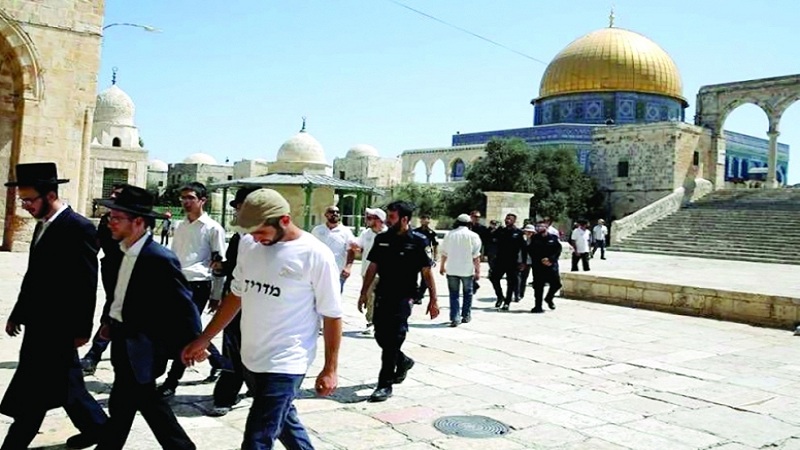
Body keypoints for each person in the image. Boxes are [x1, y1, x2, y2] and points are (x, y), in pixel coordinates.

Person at [182, 188, 342, 449]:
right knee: (285, 424)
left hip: (287, 362)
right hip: (251, 358)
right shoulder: (249, 245)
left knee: (257, 439)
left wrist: (330, 368)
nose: (255, 238)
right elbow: (236, 295)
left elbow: (332, 315)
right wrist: (205, 338)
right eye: (251, 232)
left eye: (260, 231)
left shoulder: (315, 255)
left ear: (284, 220)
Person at [1, 163, 108, 449]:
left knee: (34, 391)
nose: (25, 206)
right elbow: (33, 277)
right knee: (67, 384)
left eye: (29, 200)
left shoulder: (79, 227)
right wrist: (18, 313)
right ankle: (98, 429)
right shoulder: (42, 226)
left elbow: (86, 283)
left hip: (60, 326)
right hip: (39, 323)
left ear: (50, 195)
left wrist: (82, 329)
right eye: (22, 200)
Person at [93, 186, 201, 450]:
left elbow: (183, 305)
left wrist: (195, 343)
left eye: (117, 218)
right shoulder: (121, 252)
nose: (110, 223)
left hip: (143, 346)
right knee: (130, 403)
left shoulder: (158, 258)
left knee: (141, 401)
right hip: (121, 338)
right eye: (110, 217)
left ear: (138, 222)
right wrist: (109, 321)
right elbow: (120, 294)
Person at [359, 201, 439, 403]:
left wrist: (433, 299)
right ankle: (403, 361)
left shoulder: (419, 241)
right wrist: (363, 292)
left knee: (394, 337)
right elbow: (373, 266)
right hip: (383, 293)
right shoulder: (382, 239)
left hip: (405, 296)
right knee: (380, 335)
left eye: (392, 217)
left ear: (404, 219)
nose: (387, 220)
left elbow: (427, 272)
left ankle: (384, 384)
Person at [158, 181, 229, 398]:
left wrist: (216, 294)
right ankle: (219, 362)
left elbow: (219, 264)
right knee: (189, 330)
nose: (186, 202)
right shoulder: (180, 226)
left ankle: (171, 381)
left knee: (185, 333)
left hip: (198, 283)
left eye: (191, 198)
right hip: (178, 282)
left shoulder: (212, 228)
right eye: (183, 198)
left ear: (202, 200)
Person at [208, 186, 260, 417]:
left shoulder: (261, 238)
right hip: (235, 298)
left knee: (247, 349)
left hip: (254, 302)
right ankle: (227, 394)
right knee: (232, 348)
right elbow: (234, 266)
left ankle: (246, 390)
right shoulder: (241, 236)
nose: (237, 212)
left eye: (240, 207)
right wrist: (221, 268)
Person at [80, 183, 129, 376]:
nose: (113, 198)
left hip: (129, 270)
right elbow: (96, 244)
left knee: (114, 310)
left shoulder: (132, 221)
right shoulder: (105, 220)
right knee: (114, 308)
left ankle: (94, 354)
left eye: (118, 196)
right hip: (110, 269)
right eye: (112, 195)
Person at [346, 207, 387, 336]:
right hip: (367, 272)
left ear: (379, 220)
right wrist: (356, 248)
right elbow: (360, 249)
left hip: (385, 273)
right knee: (370, 297)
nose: (367, 220)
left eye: (370, 218)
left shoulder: (388, 234)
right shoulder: (366, 234)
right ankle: (371, 322)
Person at [439, 214, 482, 327]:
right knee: (468, 293)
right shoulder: (474, 236)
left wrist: (442, 266)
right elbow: (476, 256)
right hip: (467, 269)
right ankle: (466, 315)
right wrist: (478, 271)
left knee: (454, 294)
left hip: (452, 269)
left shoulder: (449, 235)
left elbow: (444, 253)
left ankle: (455, 317)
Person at [311, 205, 356, 292]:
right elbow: (311, 249)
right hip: (318, 272)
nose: (335, 214)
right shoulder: (317, 230)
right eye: (332, 212)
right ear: (326, 215)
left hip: (337, 272)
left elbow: (351, 250)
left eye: (337, 212)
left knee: (335, 297)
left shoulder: (346, 232)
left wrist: (348, 267)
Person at [489, 213, 526, 311]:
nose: (507, 220)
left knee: (511, 282)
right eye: (506, 218)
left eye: (509, 219)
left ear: (514, 221)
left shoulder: (518, 233)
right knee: (494, 278)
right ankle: (500, 296)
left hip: (512, 261)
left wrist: (523, 262)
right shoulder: (501, 231)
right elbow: (490, 238)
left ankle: (507, 302)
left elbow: (524, 248)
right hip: (500, 260)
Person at [527, 220, 563, 313]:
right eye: (538, 226)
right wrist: (540, 259)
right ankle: (538, 306)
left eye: (542, 226)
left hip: (551, 265)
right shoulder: (534, 238)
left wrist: (551, 259)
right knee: (538, 286)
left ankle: (549, 298)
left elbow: (558, 250)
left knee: (556, 284)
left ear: (546, 227)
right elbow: (530, 250)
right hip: (538, 266)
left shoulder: (553, 238)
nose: (539, 228)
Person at [413, 213, 438, 305]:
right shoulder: (415, 231)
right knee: (412, 277)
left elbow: (435, 245)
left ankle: (420, 296)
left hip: (426, 257)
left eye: (426, 218)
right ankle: (415, 293)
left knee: (425, 279)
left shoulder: (431, 233)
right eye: (423, 218)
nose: (424, 220)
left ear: (429, 220)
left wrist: (435, 258)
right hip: (415, 257)